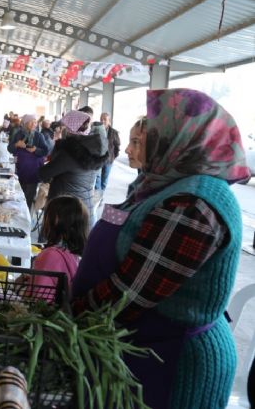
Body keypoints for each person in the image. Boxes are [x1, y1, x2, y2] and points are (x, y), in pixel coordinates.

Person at [72, 89, 251, 409]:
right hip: (133, 345)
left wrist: (65, 314)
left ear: (184, 137)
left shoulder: (194, 203)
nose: (130, 149)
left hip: (170, 364)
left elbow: (128, 294)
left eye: (152, 135)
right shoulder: (161, 183)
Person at [38, 110, 108, 215]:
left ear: (70, 130)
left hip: (65, 210)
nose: (60, 130)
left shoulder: (69, 153)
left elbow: (43, 174)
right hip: (85, 206)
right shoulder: (92, 148)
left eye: (63, 127)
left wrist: (56, 145)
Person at [21, 195, 88, 300]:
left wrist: (20, 288)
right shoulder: (78, 252)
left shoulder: (50, 255)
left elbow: (37, 301)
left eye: (47, 216)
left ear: (56, 221)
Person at [8, 114, 50, 211]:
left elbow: (45, 151)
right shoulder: (18, 134)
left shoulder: (39, 136)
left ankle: (26, 218)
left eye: (35, 122)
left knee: (29, 197)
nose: (33, 124)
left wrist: (36, 150)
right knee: (18, 195)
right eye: (31, 122)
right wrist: (16, 144)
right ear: (25, 123)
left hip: (33, 171)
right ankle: (18, 214)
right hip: (20, 169)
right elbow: (10, 149)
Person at [94, 112, 120, 192]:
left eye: (105, 120)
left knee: (104, 180)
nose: (102, 121)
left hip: (108, 160)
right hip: (98, 159)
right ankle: (98, 195)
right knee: (97, 179)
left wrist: (112, 157)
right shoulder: (96, 130)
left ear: (109, 121)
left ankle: (101, 195)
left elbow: (117, 147)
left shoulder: (114, 132)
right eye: (101, 119)